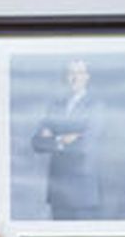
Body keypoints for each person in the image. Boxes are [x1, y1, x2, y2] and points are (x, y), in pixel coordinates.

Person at [30, 58, 104, 220]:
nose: (74, 78)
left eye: (79, 73)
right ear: (65, 77)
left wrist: (54, 139)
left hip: (82, 192)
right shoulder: (56, 105)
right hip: (58, 191)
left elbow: (84, 146)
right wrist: (63, 140)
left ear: (87, 77)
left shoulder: (96, 106)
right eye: (70, 73)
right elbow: (36, 142)